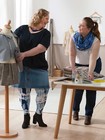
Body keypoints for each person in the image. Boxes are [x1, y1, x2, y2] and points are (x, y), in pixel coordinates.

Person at [14, 9, 51, 129]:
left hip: (39, 67)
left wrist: (24, 54)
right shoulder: (22, 29)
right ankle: (26, 116)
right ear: (40, 17)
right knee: (24, 94)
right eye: (46, 17)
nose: (48, 20)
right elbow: (11, 40)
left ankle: (38, 114)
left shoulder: (46, 33)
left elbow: (41, 48)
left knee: (43, 94)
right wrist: (4, 33)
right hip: (22, 67)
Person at [69, 17, 102, 125]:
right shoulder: (74, 37)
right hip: (79, 64)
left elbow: (93, 58)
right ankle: (75, 111)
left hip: (93, 65)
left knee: (90, 90)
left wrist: (90, 72)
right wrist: (73, 67)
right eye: (79, 25)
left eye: (82, 26)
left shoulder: (95, 40)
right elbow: (72, 53)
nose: (79, 27)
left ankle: (88, 115)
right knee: (78, 89)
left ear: (88, 29)